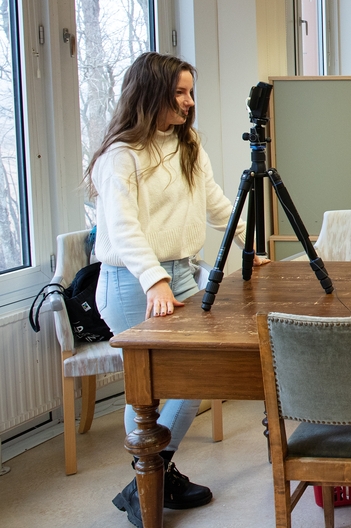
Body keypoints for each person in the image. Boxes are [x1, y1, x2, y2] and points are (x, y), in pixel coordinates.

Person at [87, 52, 258, 528]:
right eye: (179, 92)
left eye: (190, 92)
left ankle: (151, 477)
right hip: (132, 282)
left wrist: (248, 247)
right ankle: (150, 482)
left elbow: (218, 205)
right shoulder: (120, 157)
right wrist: (154, 280)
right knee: (148, 392)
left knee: (196, 378)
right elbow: (122, 230)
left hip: (181, 274)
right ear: (151, 94)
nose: (188, 102)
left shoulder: (188, 145)